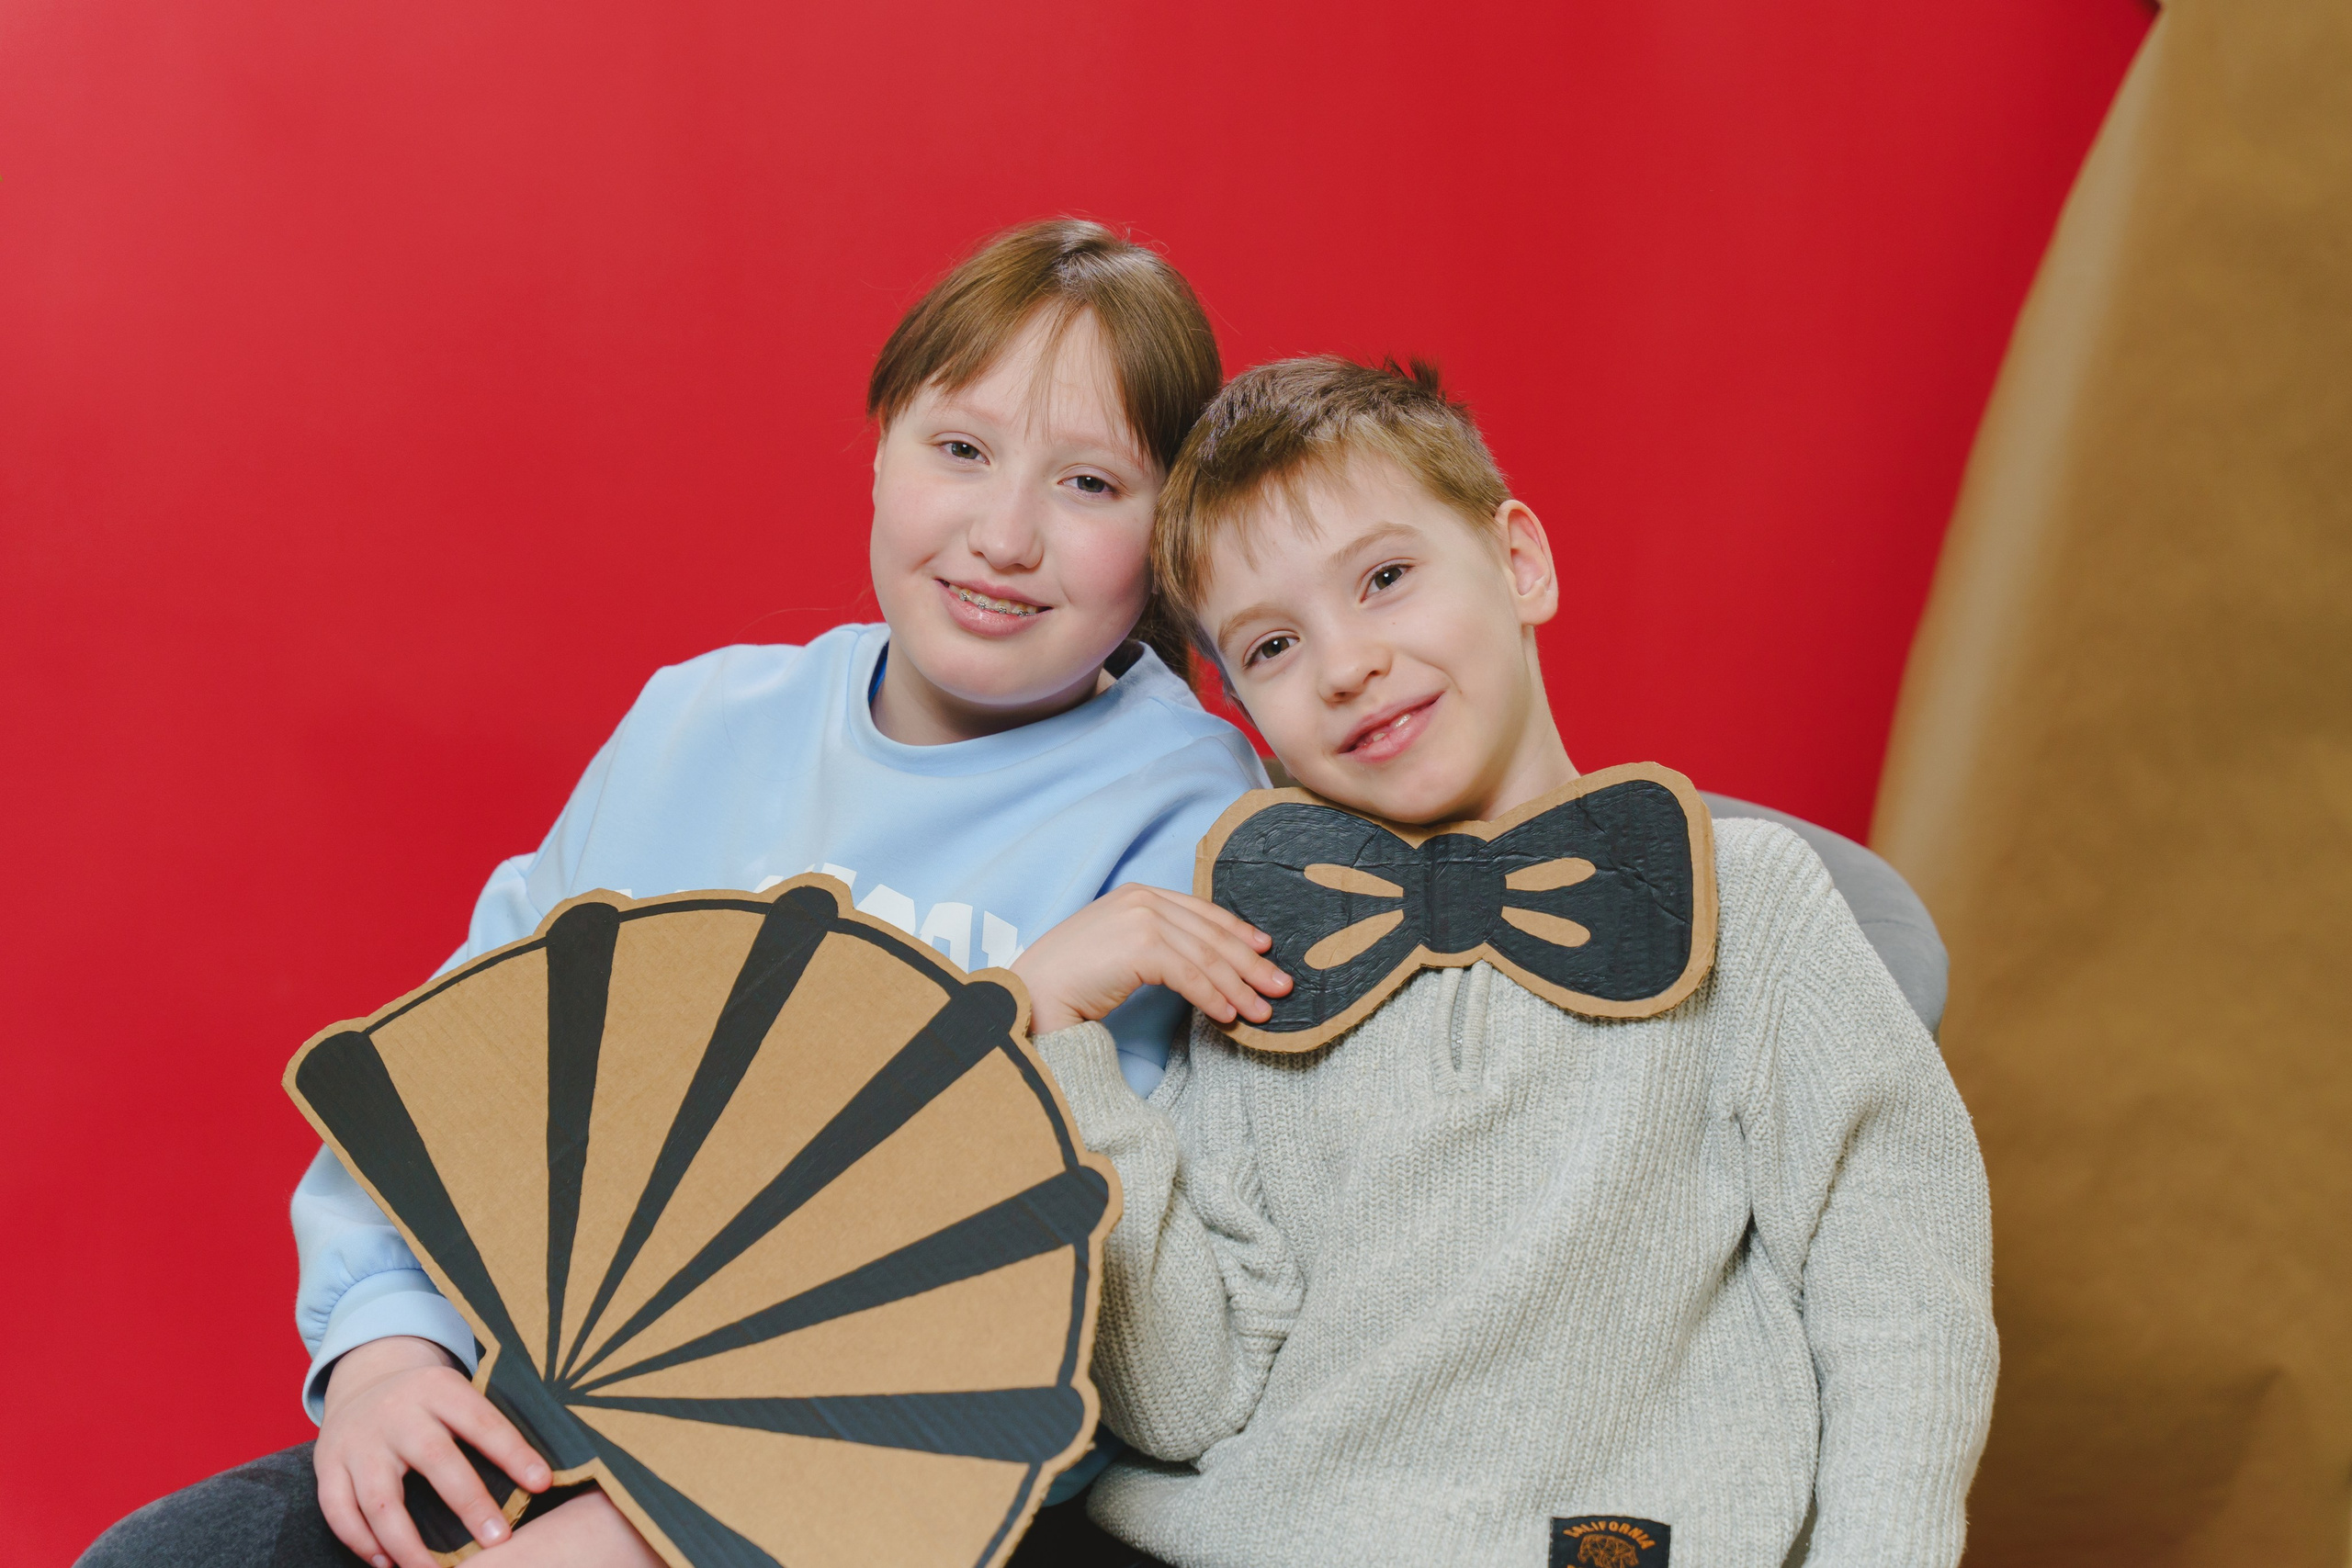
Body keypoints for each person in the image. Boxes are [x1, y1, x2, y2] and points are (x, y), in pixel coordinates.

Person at [79, 220, 1265, 1568]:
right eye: (960, 449)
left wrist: (653, 1536)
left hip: (890, 1492)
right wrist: (385, 1354)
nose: (1004, 536)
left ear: (1169, 533)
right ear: (880, 448)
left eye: (1090, 484)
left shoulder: (1191, 810)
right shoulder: (697, 725)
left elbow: (1088, 1297)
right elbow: (454, 1078)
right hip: (539, 1415)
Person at [1011, 356, 1999, 1566]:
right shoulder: (1261, 966)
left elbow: (1902, 1294)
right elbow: (1180, 1401)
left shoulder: (1754, 904)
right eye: (1271, 646)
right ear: (1247, 716)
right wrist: (1065, 1046)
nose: (1346, 664)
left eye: (1385, 578)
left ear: (1519, 562)